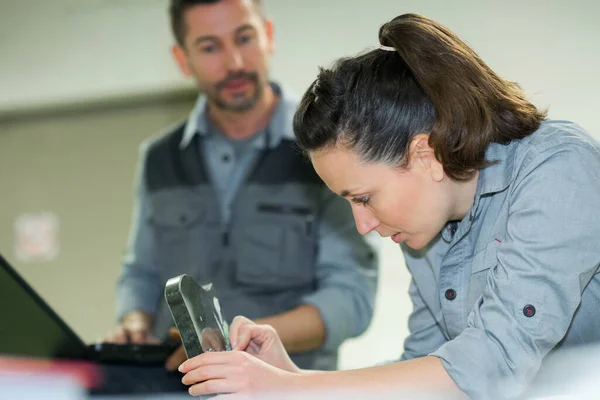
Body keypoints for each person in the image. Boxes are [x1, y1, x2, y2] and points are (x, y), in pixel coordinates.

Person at [176, 12, 600, 400]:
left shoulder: (559, 169)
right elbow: (425, 371)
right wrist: (286, 374)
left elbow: (493, 364)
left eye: (363, 198)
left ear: (424, 154)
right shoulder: (426, 230)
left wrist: (294, 388)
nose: (363, 224)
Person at [106, 0, 378, 373]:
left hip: (288, 389)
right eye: (210, 46)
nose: (234, 62)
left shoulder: (328, 149)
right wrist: (133, 323)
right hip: (181, 389)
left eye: (244, 38)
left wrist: (235, 342)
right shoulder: (158, 159)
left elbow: (351, 297)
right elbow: (141, 274)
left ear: (268, 36)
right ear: (183, 59)